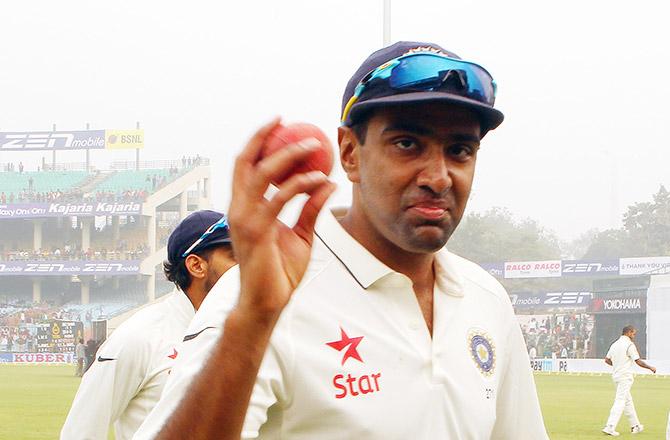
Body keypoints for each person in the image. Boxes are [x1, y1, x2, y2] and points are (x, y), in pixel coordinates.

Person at [135, 41, 548, 439]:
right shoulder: (260, 296)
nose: (438, 177)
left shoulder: (485, 299)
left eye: (460, 150)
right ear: (350, 152)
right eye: (407, 144)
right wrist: (255, 320)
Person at [61, 210, 237, 440]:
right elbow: (81, 432)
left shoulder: (246, 335)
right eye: (235, 256)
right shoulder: (139, 337)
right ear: (196, 265)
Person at [602, 325, 656, 436]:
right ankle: (610, 426)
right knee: (620, 401)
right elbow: (638, 361)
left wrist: (617, 365)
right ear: (628, 332)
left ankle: (635, 426)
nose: (634, 336)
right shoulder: (629, 345)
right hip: (625, 376)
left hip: (616, 376)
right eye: (633, 333)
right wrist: (650, 367)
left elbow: (607, 360)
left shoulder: (615, 344)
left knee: (627, 401)